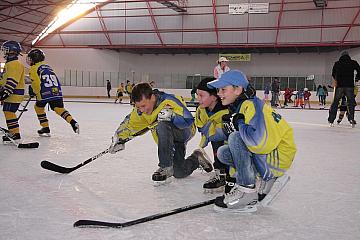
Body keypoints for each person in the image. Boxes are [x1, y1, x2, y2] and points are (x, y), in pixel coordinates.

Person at [207, 70, 296, 212]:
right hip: (271, 153)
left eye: (223, 89)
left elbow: (257, 143)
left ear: (238, 89)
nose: (219, 93)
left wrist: (239, 124)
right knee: (224, 152)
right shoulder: (242, 105)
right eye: (218, 90)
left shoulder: (250, 105)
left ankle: (247, 193)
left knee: (235, 138)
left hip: (277, 156)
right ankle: (259, 179)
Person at [108, 82, 213, 185]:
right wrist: (118, 138)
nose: (142, 110)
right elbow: (129, 125)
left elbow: (188, 120)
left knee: (162, 123)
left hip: (184, 131)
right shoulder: (140, 111)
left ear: (152, 97)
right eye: (138, 107)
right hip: (168, 142)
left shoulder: (168, 101)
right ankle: (196, 158)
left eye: (144, 106)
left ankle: (165, 167)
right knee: (179, 172)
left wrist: (172, 116)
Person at [27, 48, 79, 136]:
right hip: (56, 91)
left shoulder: (33, 68)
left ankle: (45, 127)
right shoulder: (48, 67)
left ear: (34, 58)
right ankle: (73, 122)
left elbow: (36, 83)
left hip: (44, 92)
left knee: (38, 107)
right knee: (58, 108)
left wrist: (34, 91)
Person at [194, 77, 229, 192]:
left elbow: (221, 134)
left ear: (214, 97)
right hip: (219, 145)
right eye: (197, 95)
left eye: (201, 95)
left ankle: (225, 173)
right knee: (215, 138)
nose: (198, 98)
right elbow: (200, 126)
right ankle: (221, 172)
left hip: (234, 148)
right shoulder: (201, 110)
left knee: (217, 138)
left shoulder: (226, 112)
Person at [0, 40, 25, 142]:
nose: (4, 52)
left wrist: (7, 91)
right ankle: (13, 132)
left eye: (6, 50)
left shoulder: (14, 64)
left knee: (9, 112)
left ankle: (15, 134)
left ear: (12, 51)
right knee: (8, 111)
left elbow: (13, 79)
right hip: (11, 93)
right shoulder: (9, 64)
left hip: (14, 93)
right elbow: (5, 78)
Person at [328, 51, 360, 127]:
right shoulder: (353, 62)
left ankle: (331, 120)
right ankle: (351, 119)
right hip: (349, 85)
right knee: (351, 103)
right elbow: (359, 70)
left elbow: (333, 73)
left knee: (335, 102)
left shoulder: (337, 63)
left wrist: (337, 79)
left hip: (339, 86)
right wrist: (357, 78)